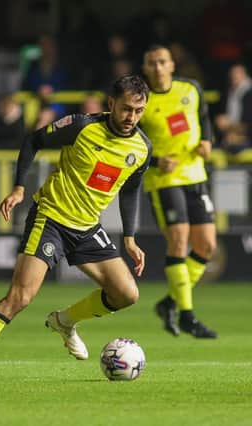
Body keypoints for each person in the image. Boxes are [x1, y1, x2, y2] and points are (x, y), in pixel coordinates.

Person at [0, 75, 151, 382]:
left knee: (126, 293)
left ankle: (64, 322)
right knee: (20, 297)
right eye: (126, 109)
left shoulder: (142, 148)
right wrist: (18, 187)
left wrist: (130, 239)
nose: (131, 117)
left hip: (87, 226)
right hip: (51, 218)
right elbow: (33, 141)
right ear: (111, 104)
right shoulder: (82, 126)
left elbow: (131, 190)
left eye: (138, 111)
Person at [139, 45, 218, 338]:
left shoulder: (191, 88)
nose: (158, 67)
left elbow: (204, 118)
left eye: (162, 62)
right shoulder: (141, 100)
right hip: (164, 180)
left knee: (207, 246)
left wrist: (208, 141)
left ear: (172, 64)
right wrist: (157, 161)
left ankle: (170, 302)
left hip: (195, 174)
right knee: (179, 239)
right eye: (152, 63)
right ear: (145, 68)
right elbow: (129, 142)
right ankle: (187, 314)